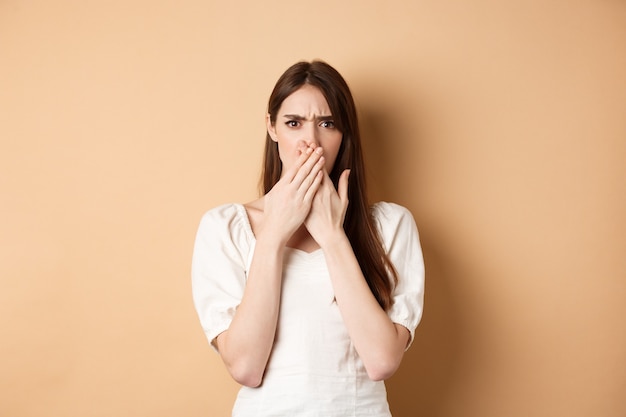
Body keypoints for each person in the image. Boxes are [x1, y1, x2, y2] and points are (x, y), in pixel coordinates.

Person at [192, 60, 425, 416]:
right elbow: (245, 368)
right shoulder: (225, 227)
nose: (310, 141)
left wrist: (333, 236)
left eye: (327, 124)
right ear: (271, 128)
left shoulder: (390, 226)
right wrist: (272, 237)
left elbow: (381, 361)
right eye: (293, 123)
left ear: (344, 134)